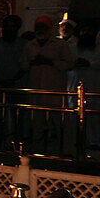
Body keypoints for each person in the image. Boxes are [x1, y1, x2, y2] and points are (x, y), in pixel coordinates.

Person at [22, 15, 73, 153]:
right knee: (37, 124)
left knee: (59, 123)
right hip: (36, 91)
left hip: (54, 91)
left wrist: (50, 62)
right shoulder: (30, 45)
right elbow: (23, 65)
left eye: (43, 27)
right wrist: (33, 62)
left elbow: (68, 64)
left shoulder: (60, 44)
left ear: (49, 29)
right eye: (38, 27)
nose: (40, 30)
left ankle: (63, 152)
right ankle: (37, 153)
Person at [0, 15, 26, 149]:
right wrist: (0, 80)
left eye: (13, 26)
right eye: (7, 26)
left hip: (17, 87)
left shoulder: (23, 45)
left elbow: (25, 66)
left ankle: (18, 143)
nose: (9, 29)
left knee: (18, 116)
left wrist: (12, 80)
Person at [70, 24, 100, 149]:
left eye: (89, 30)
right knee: (74, 116)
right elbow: (66, 63)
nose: (86, 33)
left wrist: (90, 63)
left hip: (96, 88)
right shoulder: (72, 48)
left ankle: (94, 143)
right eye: (84, 30)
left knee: (94, 118)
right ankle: (75, 141)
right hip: (75, 89)